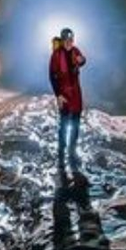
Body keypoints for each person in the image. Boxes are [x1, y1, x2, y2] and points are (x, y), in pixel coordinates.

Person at [49, 27, 87, 176]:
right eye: (67, 40)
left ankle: (72, 152)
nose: (70, 43)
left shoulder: (75, 50)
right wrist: (58, 95)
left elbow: (82, 60)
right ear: (63, 40)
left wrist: (82, 60)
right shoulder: (56, 55)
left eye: (72, 40)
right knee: (64, 125)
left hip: (76, 94)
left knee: (76, 124)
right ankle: (61, 155)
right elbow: (52, 76)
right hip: (64, 94)